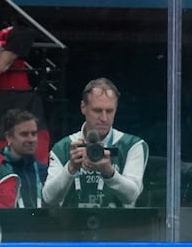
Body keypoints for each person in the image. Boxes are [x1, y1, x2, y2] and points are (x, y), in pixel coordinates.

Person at [43, 78, 148, 208]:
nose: (104, 118)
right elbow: (48, 198)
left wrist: (109, 172)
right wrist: (70, 168)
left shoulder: (132, 145)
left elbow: (132, 196)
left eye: (109, 111)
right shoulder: (63, 147)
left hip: (118, 227)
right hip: (73, 226)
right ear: (83, 107)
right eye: (97, 111)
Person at [0, 109, 46, 208]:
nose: (31, 139)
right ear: (9, 137)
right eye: (24, 134)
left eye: (34, 134)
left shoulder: (45, 171)